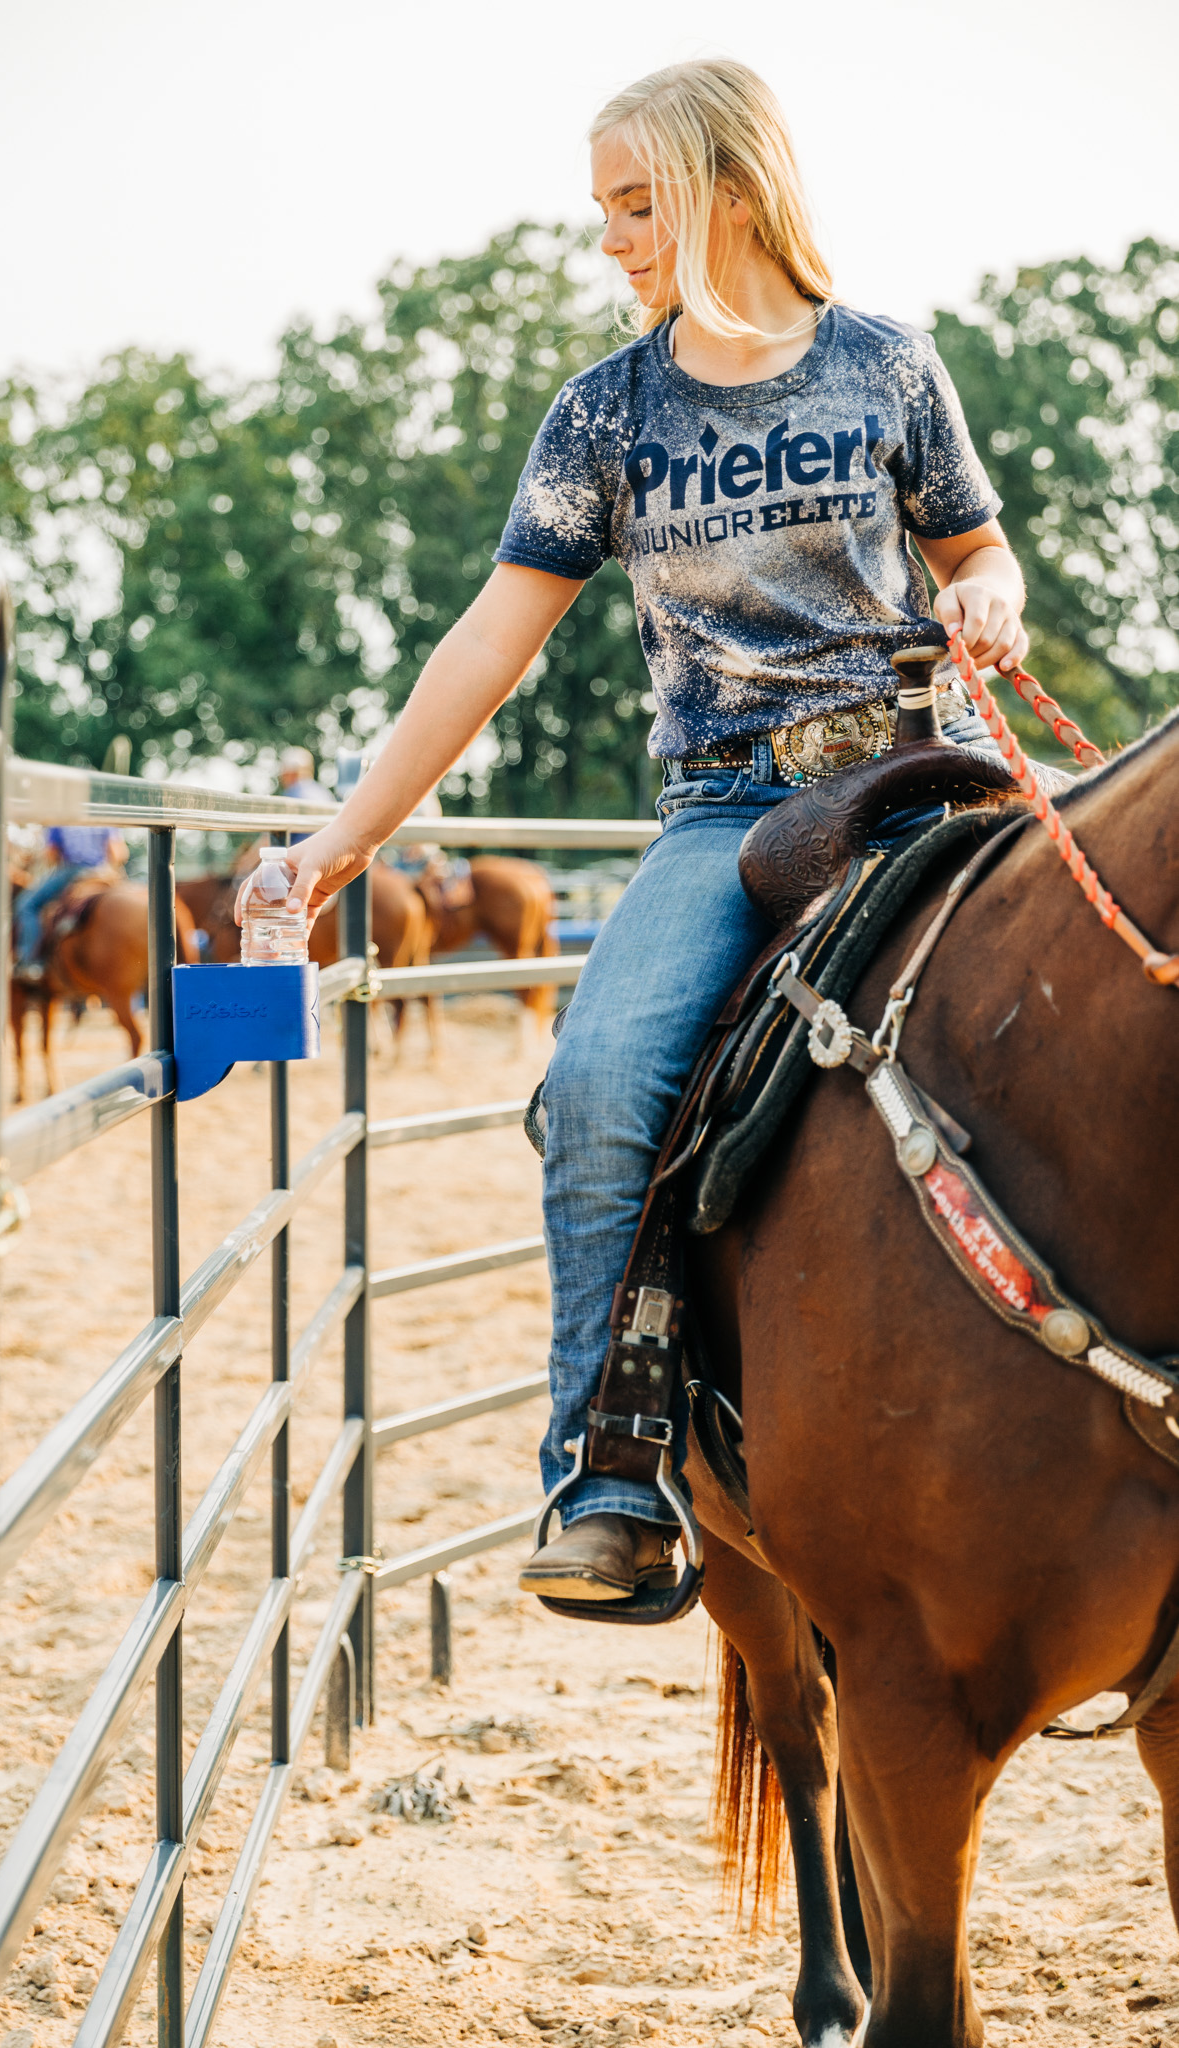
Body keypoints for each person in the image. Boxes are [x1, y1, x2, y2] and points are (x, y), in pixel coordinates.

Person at [278, 58, 1030, 1603]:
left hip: (918, 771)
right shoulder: (602, 416)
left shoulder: (887, 364)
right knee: (605, 1078)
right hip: (733, 805)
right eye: (602, 208)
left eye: (638, 202)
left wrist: (985, 599)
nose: (611, 237)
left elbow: (982, 549)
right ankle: (612, 1470)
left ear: (731, 188)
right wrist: (343, 838)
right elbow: (487, 642)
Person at [14, 824, 127, 980]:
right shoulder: (103, 817)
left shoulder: (62, 818)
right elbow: (118, 853)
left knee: (27, 905)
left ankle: (30, 962)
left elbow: (51, 854)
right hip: (103, 873)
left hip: (73, 872)